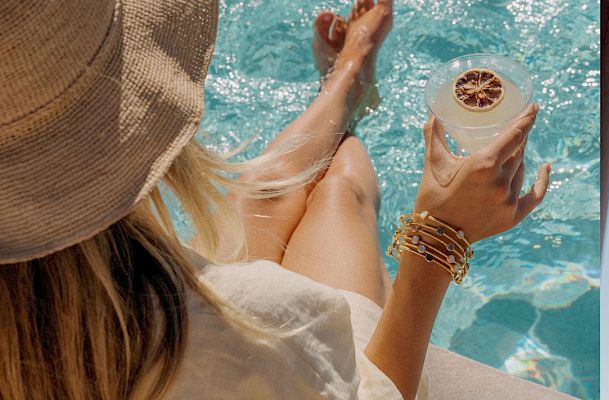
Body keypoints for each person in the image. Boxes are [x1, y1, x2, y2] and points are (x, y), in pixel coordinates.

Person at [0, 0, 553, 399]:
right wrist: (439, 237)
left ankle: (345, 83)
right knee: (340, 190)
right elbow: (376, 392)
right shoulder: (258, 332)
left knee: (270, 189)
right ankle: (348, 86)